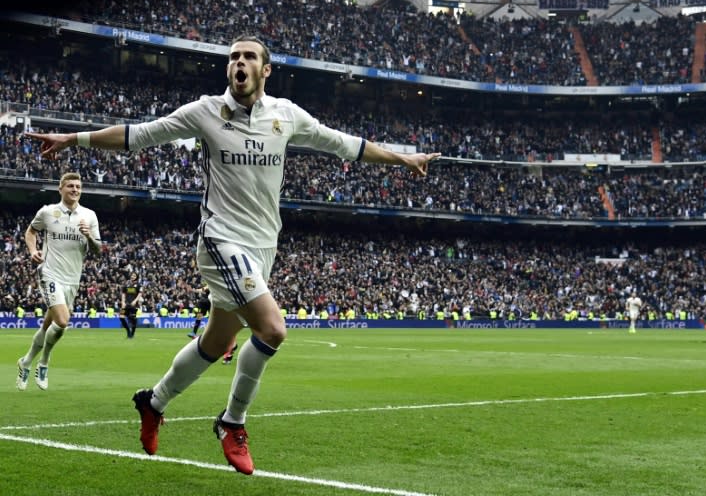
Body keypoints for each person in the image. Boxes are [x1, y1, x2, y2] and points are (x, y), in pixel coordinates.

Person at [26, 34, 440, 475]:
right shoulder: (205, 111)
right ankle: (232, 422)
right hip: (220, 239)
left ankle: (153, 402)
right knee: (273, 329)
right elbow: (138, 136)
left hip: (263, 245)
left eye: (249, 57)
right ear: (229, 68)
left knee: (217, 341)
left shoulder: (286, 115)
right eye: (234, 57)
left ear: (265, 70)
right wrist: (73, 139)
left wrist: (402, 158)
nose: (239, 62)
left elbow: (345, 145)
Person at [15, 172, 101, 391]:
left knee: (51, 326)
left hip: (73, 279)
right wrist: (33, 250)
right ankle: (44, 362)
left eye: (78, 186)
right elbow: (31, 232)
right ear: (60, 189)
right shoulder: (47, 212)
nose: (75, 189)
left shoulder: (89, 216)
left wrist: (89, 235)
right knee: (62, 321)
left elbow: (98, 251)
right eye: (70, 186)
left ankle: (25, 362)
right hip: (50, 273)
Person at [120, 272, 142, 339]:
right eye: (132, 275)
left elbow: (140, 294)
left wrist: (135, 301)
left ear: (136, 277)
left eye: (134, 275)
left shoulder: (138, 285)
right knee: (121, 317)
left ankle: (132, 334)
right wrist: (123, 302)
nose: (133, 276)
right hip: (126, 304)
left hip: (133, 304)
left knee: (133, 319)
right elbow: (123, 293)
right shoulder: (126, 283)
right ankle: (128, 332)